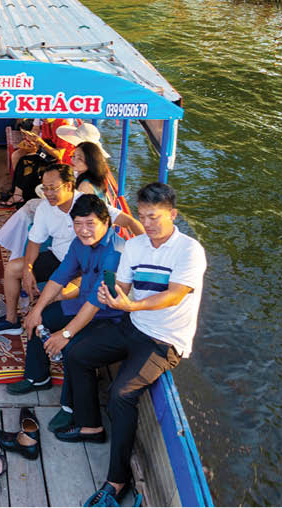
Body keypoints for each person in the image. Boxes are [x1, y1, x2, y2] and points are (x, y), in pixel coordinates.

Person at [60, 183, 207, 508]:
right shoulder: (137, 245)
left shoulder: (189, 251)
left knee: (121, 394)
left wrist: (132, 306)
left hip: (164, 340)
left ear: (173, 214)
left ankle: (117, 479)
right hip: (133, 326)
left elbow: (174, 294)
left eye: (154, 217)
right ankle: (90, 425)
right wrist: (109, 294)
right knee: (75, 352)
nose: (148, 224)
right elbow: (122, 284)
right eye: (142, 216)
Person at [0, 163, 143, 337]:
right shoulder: (45, 208)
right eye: (45, 188)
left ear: (68, 186)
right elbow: (35, 242)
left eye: (53, 188)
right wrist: (28, 270)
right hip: (59, 259)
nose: (48, 193)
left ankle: (63, 331)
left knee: (59, 296)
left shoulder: (87, 205)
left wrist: (145, 251)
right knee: (13, 268)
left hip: (85, 268)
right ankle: (12, 321)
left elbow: (130, 222)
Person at [8, 195, 126, 431]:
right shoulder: (79, 243)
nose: (83, 231)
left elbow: (96, 303)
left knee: (73, 349)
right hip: (82, 303)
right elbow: (60, 276)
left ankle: (69, 408)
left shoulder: (115, 252)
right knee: (43, 316)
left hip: (107, 317)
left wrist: (66, 333)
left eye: (90, 224)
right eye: (78, 224)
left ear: (106, 222)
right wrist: (37, 308)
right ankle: (37, 376)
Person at [0, 138, 114, 263]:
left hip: (72, 222)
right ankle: (11, 241)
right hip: (70, 213)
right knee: (29, 207)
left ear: (90, 161)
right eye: (74, 156)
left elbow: (75, 210)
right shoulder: (90, 177)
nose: (73, 160)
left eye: (79, 158)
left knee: (28, 210)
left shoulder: (85, 187)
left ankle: (14, 245)